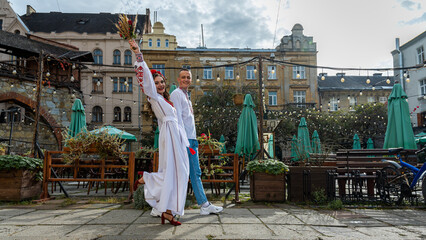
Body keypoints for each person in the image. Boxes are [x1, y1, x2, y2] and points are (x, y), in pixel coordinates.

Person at [130, 39, 190, 226]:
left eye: (162, 81)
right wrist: (138, 53)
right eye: (157, 82)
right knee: (175, 172)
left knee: (179, 173)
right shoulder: (153, 96)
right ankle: (146, 179)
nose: (160, 85)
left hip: (176, 136)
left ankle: (168, 211)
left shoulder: (167, 100)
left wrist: (186, 142)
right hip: (169, 135)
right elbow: (145, 79)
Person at [169, 68, 224, 215]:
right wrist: (185, 142)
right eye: (183, 77)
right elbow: (178, 120)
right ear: (178, 79)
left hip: (191, 139)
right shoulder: (176, 94)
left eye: (188, 77)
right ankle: (201, 205)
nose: (186, 79)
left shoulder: (186, 96)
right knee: (190, 173)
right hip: (186, 140)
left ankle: (171, 206)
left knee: (193, 173)